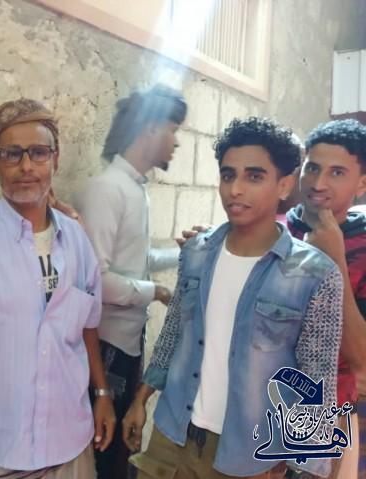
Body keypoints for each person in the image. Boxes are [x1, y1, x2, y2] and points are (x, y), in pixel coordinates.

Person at [123, 117, 343, 478]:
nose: (235, 189)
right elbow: (174, 332)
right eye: (228, 175)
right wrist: (141, 398)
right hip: (173, 432)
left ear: (284, 184)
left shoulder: (314, 275)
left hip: (249, 453)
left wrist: (303, 465)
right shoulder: (197, 251)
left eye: (254, 177)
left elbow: (315, 377)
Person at [0, 98, 116, 479]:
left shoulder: (77, 240)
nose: (27, 166)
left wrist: (101, 393)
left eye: (38, 152)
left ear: (55, 159)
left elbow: (87, 326)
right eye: (12, 154)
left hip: (70, 441)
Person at [74, 85, 187, 478]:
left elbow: (135, 260)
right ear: (150, 128)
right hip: (105, 347)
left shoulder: (134, 188)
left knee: (120, 448)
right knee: (104, 451)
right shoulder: (108, 189)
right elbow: (95, 280)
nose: (176, 142)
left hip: (126, 344)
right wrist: (156, 291)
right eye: (173, 129)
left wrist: (186, 253)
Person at [284, 119, 366, 479]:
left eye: (337, 172)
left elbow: (361, 358)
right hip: (254, 402)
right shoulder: (275, 231)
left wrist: (334, 260)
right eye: (313, 168)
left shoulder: (362, 248)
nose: (318, 184)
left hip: (323, 412)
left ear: (361, 184)